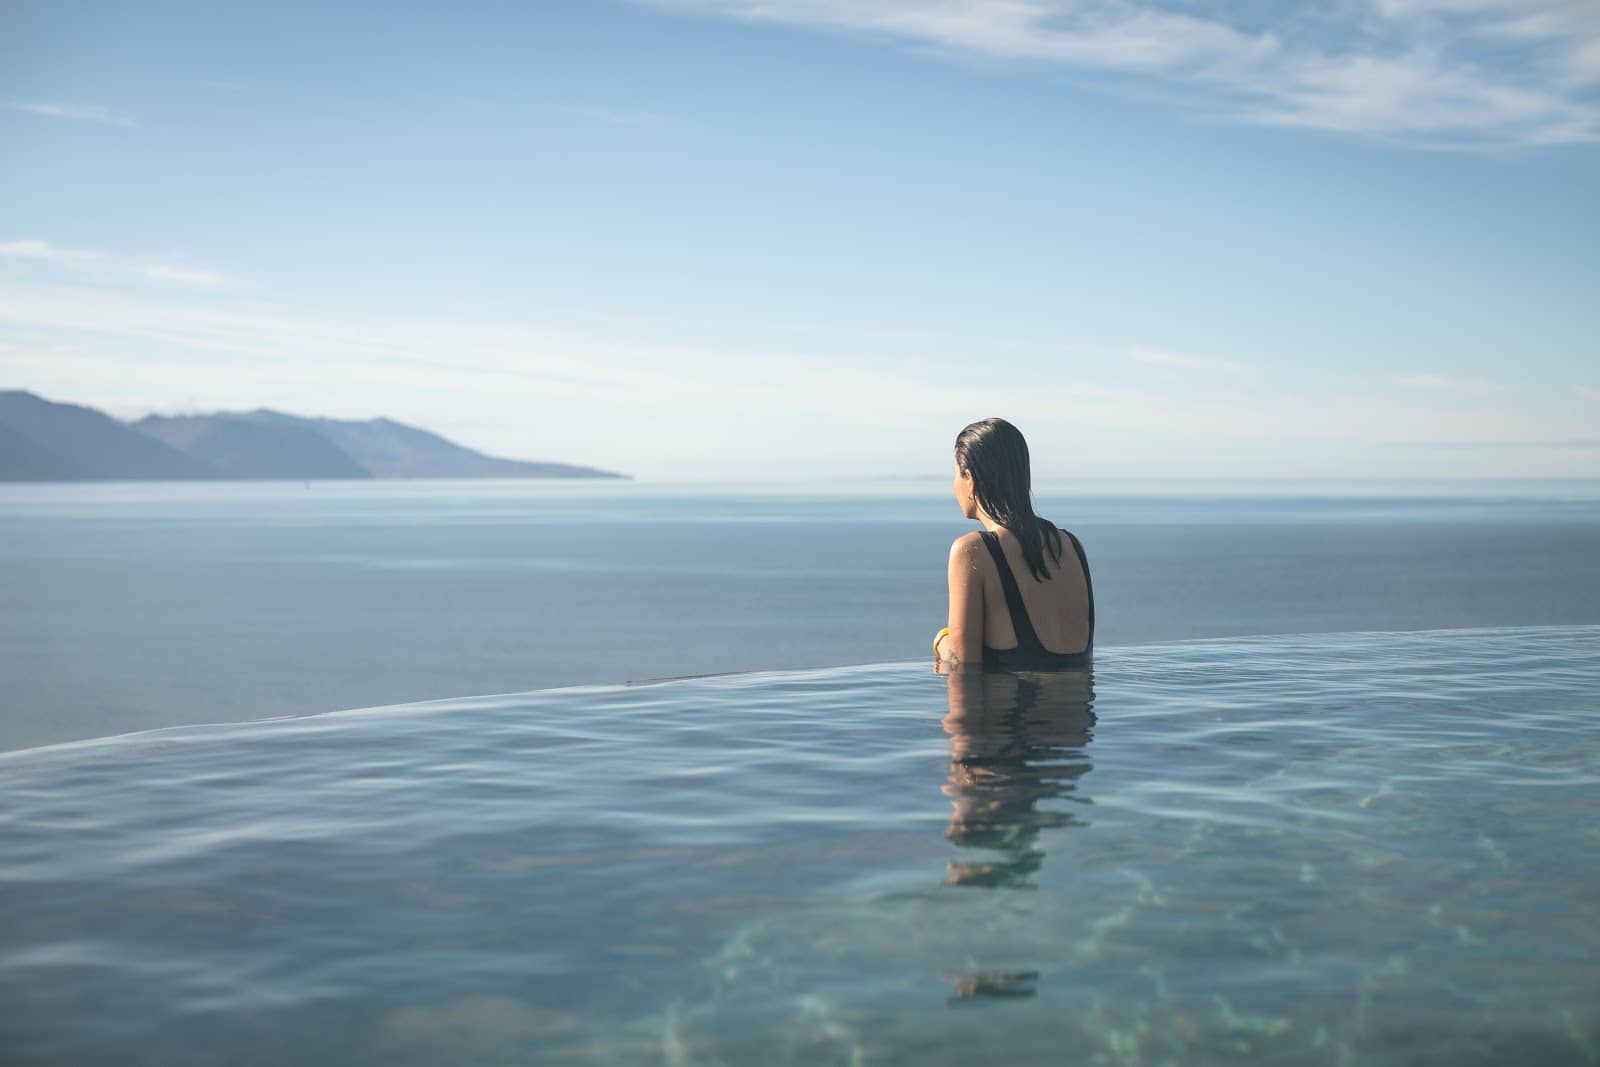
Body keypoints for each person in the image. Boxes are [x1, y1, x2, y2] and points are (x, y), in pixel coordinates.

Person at [933, 418, 1094, 672]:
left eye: (955, 475)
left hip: (1012, 712)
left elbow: (961, 666)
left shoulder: (972, 551)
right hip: (1081, 712)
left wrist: (942, 640)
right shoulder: (1071, 547)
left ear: (969, 478)